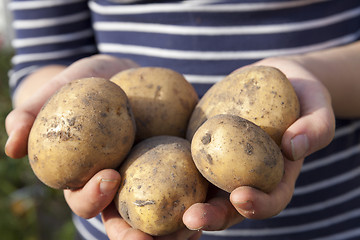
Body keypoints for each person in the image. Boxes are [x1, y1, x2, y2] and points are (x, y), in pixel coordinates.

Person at [4, 0, 360, 239]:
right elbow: (44, 54)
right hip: (112, 209)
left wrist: (313, 77)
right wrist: (50, 96)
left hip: (331, 217)